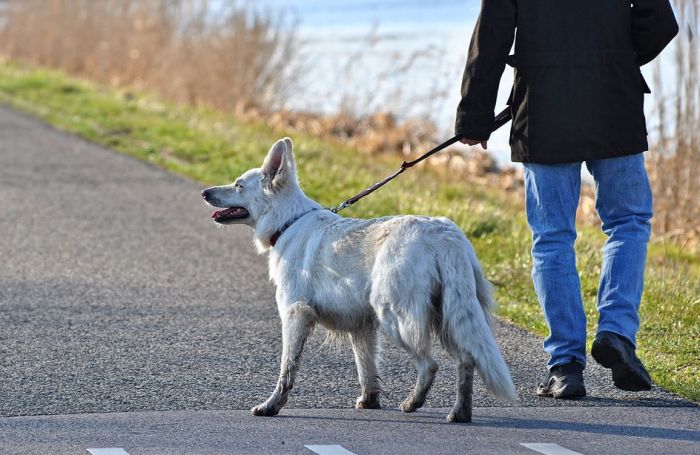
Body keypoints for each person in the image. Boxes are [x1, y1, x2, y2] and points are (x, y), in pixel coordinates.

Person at [455, 0, 678, 398]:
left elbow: (491, 35)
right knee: (628, 222)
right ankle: (616, 333)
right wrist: (616, 58)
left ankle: (565, 366)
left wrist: (474, 115)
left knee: (552, 237)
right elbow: (660, 24)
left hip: (544, 109)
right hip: (614, 101)